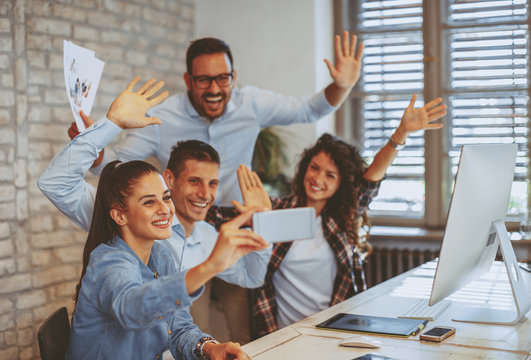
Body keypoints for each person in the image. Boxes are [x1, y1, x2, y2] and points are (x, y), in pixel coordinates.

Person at [38, 77, 271, 343]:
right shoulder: (114, 253)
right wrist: (111, 124)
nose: (205, 194)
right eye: (194, 181)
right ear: (170, 179)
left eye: (213, 183)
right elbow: (57, 183)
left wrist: (262, 219)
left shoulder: (202, 237)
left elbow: (251, 277)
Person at [208, 94, 447, 337]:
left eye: (330, 175)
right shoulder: (277, 209)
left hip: (335, 330)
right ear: (305, 168)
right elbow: (215, 216)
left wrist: (400, 134)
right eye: (314, 168)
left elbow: (374, 174)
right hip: (281, 334)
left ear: (341, 183)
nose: (318, 179)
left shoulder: (342, 218)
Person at [73, 32, 364, 206]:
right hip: (183, 233)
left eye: (222, 78)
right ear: (188, 80)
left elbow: (310, 110)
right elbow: (116, 165)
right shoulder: (161, 117)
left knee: (239, 311)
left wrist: (342, 86)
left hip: (236, 225)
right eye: (203, 80)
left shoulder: (252, 103)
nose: (214, 89)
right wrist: (94, 148)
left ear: (233, 77)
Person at [66, 159, 267, 359]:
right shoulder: (108, 263)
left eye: (166, 197)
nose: (165, 209)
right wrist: (211, 266)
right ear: (120, 216)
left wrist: (210, 348)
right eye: (149, 202)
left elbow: (178, 328)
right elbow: (134, 310)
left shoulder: (160, 256)